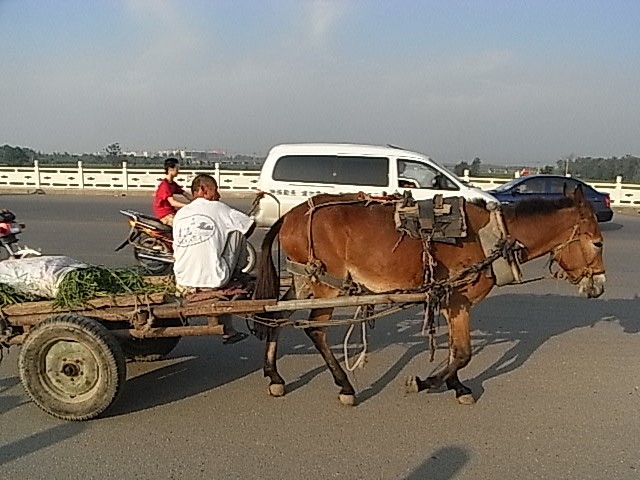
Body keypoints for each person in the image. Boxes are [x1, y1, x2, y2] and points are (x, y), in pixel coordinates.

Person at [173, 173, 255, 344]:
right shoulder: (219, 207)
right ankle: (238, 273)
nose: (219, 195)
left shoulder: (181, 214)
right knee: (237, 233)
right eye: (215, 190)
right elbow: (248, 225)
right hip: (214, 279)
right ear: (203, 190)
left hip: (183, 279)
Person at [153, 157, 193, 225]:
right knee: (182, 225)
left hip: (171, 211)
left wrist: (197, 200)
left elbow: (185, 193)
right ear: (170, 169)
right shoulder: (165, 185)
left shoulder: (172, 184)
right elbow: (173, 203)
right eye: (177, 168)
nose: (178, 171)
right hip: (165, 214)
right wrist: (187, 205)